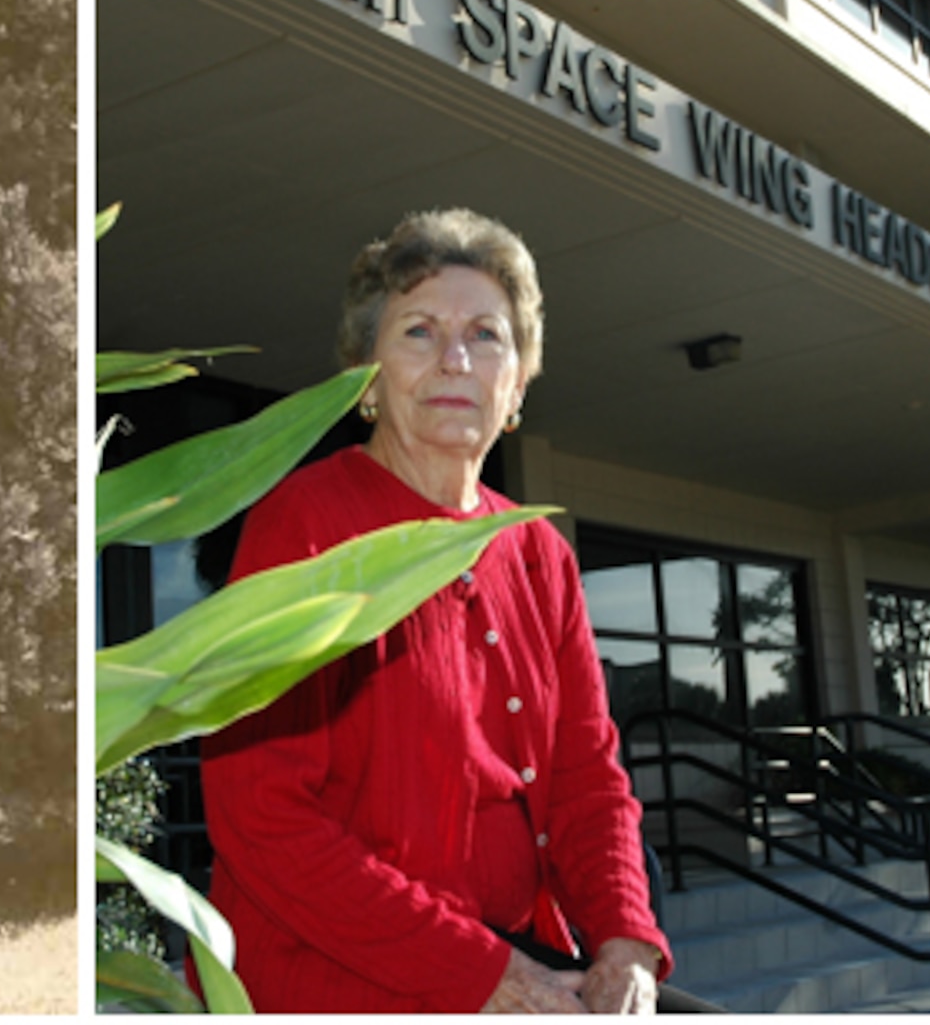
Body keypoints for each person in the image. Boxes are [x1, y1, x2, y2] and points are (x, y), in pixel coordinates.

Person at [199, 209, 722, 1013]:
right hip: (335, 972)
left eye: (486, 335)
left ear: (517, 382)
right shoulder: (304, 527)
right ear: (366, 374)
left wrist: (624, 942)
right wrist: (486, 978)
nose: (455, 359)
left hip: (522, 958)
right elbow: (261, 818)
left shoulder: (540, 553)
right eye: (418, 332)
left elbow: (588, 777)